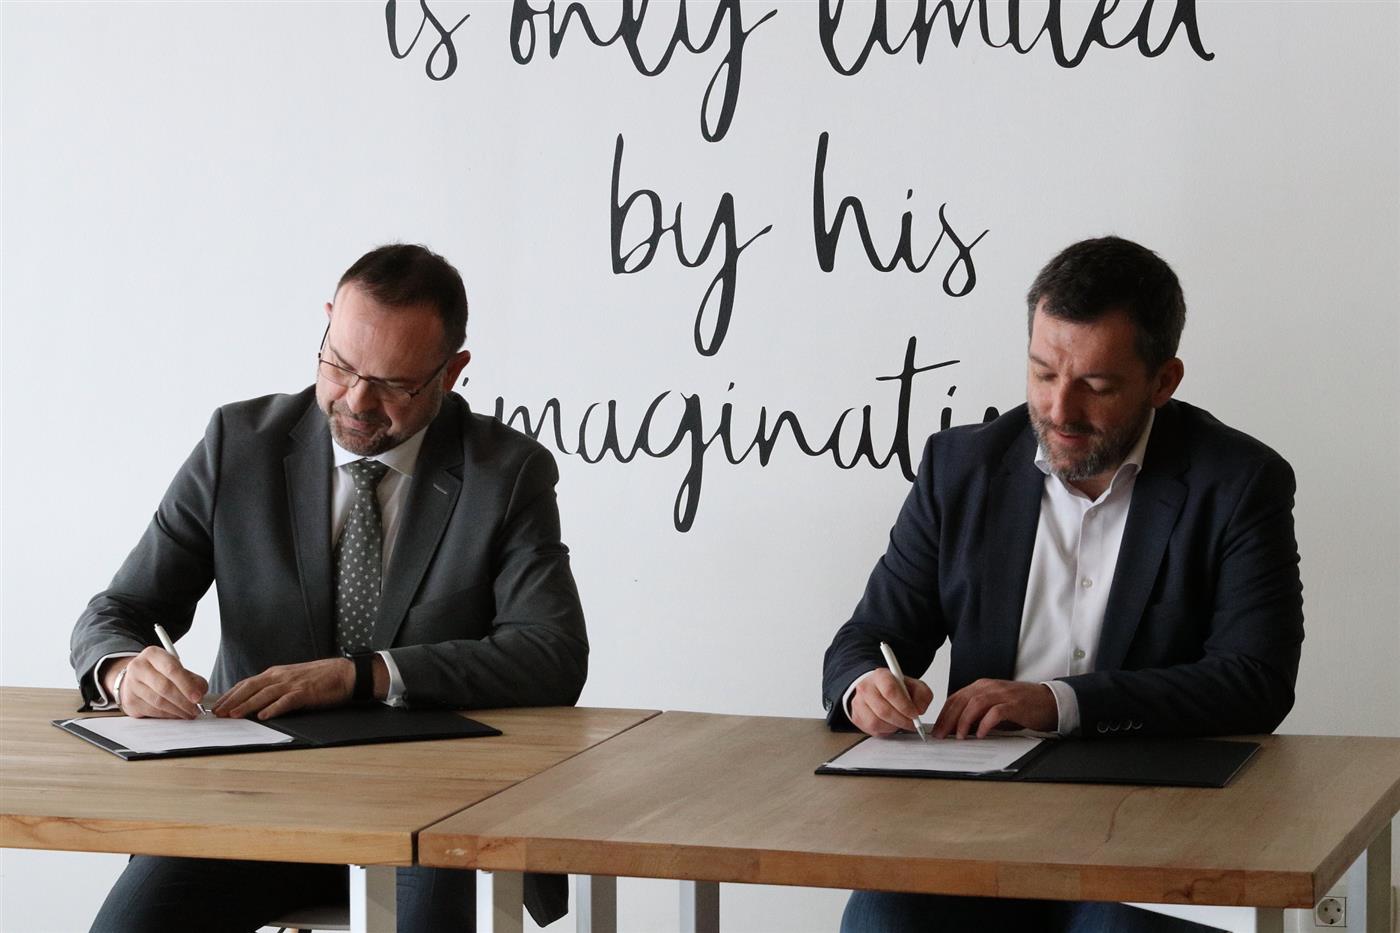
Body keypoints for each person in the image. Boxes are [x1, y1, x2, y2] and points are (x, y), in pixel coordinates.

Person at [71, 243, 588, 933]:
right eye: (340, 365)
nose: (356, 401)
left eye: (394, 384)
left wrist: (361, 675)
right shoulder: (238, 443)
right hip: (253, 800)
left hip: (435, 810)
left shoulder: (507, 472)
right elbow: (119, 610)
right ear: (325, 326)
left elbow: (551, 653)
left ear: (451, 372)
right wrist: (123, 669)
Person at [822, 236, 1304, 932]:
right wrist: (866, 684)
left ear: (1163, 382)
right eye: (1043, 372)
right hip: (978, 825)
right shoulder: (960, 468)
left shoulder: (1238, 483)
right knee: (879, 919)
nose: (1059, 409)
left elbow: (1256, 679)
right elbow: (867, 637)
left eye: (1097, 387)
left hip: (1156, 824)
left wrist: (1058, 702)